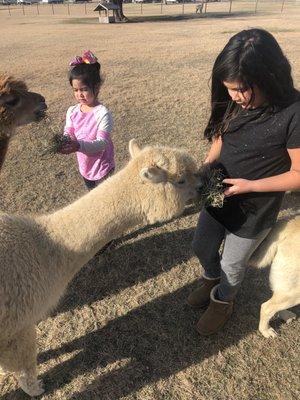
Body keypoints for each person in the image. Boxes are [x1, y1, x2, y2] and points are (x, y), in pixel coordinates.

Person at [188, 28, 300, 336]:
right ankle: (210, 278)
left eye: (241, 89)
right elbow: (222, 138)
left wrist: (249, 186)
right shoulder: (235, 102)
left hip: (254, 207)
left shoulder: (294, 112)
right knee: (202, 244)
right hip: (220, 192)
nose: (234, 97)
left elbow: (298, 174)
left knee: (233, 265)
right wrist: (207, 166)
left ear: (267, 76)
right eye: (229, 90)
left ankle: (223, 300)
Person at [59, 50, 114, 190]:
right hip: (85, 164)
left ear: (96, 87)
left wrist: (78, 146)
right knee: (91, 194)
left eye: (84, 89)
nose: (79, 95)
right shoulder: (72, 111)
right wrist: (65, 142)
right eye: (75, 90)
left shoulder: (102, 113)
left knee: (104, 198)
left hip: (102, 166)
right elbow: (69, 131)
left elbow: (102, 143)